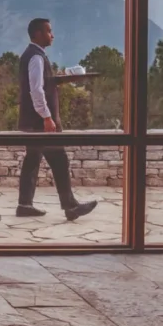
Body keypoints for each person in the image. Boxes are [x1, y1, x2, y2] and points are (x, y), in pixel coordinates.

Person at [15, 18, 97, 221]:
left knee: (32, 160)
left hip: (31, 121)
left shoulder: (34, 56)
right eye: (49, 31)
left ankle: (24, 205)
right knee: (59, 160)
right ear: (37, 34)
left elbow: (40, 83)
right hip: (40, 122)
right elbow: (36, 90)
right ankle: (70, 206)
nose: (52, 35)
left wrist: (59, 80)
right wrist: (47, 117)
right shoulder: (36, 58)